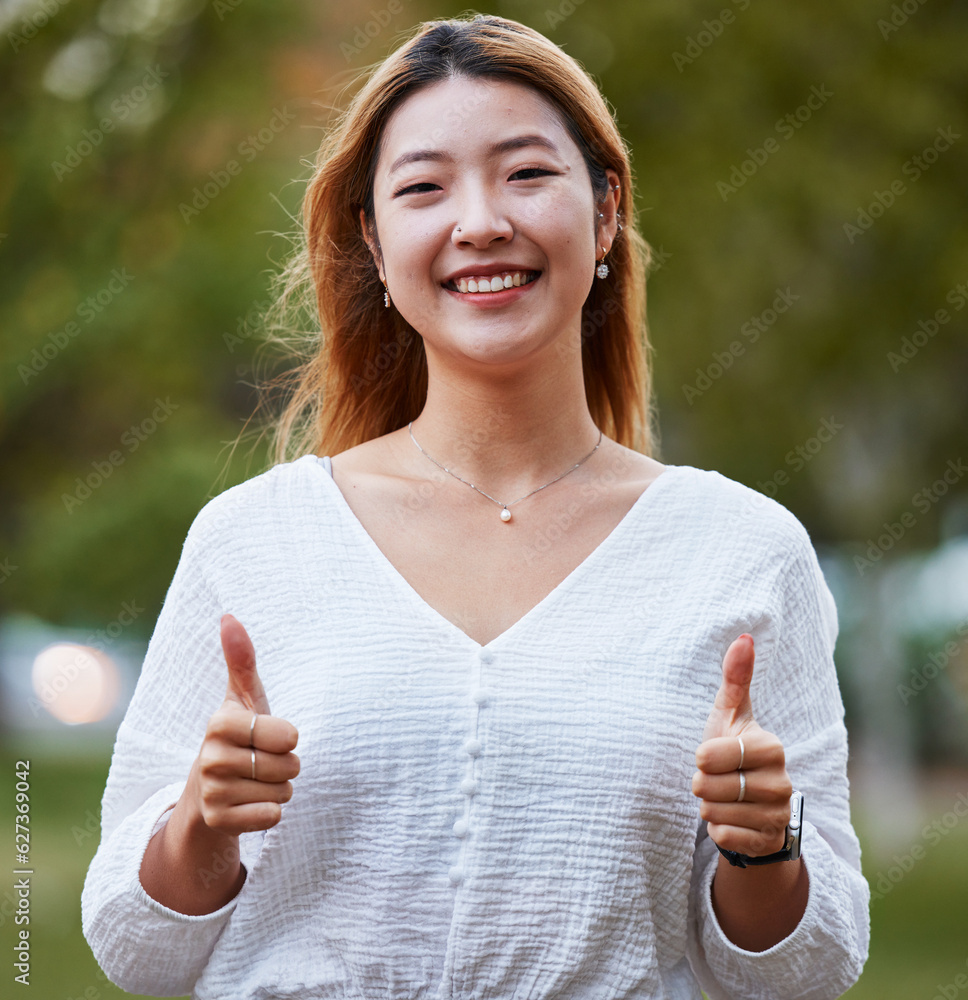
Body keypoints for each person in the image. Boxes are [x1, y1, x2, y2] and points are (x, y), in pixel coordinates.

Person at [81, 13, 870, 999]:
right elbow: (136, 947)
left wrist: (761, 849)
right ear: (373, 240)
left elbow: (807, 969)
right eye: (422, 188)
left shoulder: (742, 552)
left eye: (525, 173)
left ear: (606, 209)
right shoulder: (252, 541)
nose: (480, 220)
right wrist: (202, 821)